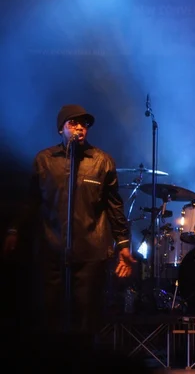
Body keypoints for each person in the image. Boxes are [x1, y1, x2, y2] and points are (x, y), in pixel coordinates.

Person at [2, 104, 136, 342]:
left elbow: (114, 206)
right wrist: (14, 229)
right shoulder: (44, 160)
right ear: (60, 129)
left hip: (90, 250)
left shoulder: (102, 161)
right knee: (49, 314)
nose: (79, 128)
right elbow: (31, 201)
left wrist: (123, 244)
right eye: (72, 123)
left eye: (83, 124)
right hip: (51, 248)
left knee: (86, 316)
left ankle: (83, 361)